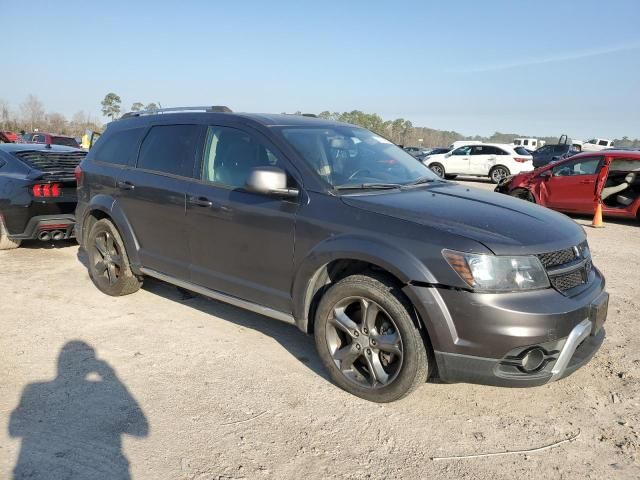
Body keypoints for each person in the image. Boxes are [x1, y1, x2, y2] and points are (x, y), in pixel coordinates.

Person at [9, 341, 149, 479]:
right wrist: (111, 377)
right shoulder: (101, 389)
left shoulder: (34, 389)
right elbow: (141, 429)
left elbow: (14, 429)